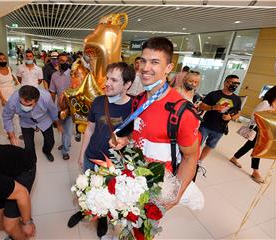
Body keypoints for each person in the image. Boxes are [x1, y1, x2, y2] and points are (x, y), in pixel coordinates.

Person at [110, 37, 201, 211]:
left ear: (168, 67)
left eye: (154, 62)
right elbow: (139, 132)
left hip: (158, 186)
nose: (145, 68)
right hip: (132, 178)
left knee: (143, 233)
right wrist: (125, 140)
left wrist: (176, 195)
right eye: (143, 61)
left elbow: (190, 158)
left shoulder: (182, 112)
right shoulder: (139, 101)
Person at [68, 62, 135, 237]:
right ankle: (83, 211)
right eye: (107, 78)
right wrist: (82, 154)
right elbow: (89, 129)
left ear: (127, 84)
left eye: (114, 80)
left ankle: (102, 219)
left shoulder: (134, 107)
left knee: (105, 195)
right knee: (87, 189)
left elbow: (137, 137)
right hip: (91, 156)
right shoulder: (98, 101)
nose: (107, 83)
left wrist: (126, 139)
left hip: (113, 164)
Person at [230, 85, 276, 183]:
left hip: (268, 131)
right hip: (259, 129)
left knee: (249, 146)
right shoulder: (266, 103)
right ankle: (255, 171)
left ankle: (234, 158)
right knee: (259, 149)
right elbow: (254, 115)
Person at [3, 85, 62, 163]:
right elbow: (7, 117)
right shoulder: (13, 101)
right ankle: (32, 161)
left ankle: (46, 151)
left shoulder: (46, 97)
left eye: (29, 105)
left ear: (36, 101)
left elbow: (53, 110)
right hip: (26, 122)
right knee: (29, 147)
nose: (24, 106)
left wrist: (58, 124)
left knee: (50, 141)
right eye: (21, 103)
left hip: (44, 119)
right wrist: (12, 136)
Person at [198, 75, 242, 164]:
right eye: (233, 83)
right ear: (226, 82)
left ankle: (200, 161)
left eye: (237, 84)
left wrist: (231, 117)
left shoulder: (237, 99)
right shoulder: (214, 94)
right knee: (196, 144)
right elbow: (201, 106)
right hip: (206, 125)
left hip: (220, 128)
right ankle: (190, 160)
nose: (235, 86)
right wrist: (213, 107)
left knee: (210, 146)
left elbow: (238, 113)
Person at [49, 53, 73, 160]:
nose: (63, 63)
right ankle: (66, 143)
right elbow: (53, 92)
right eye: (61, 61)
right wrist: (51, 108)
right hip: (60, 108)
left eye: (65, 61)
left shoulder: (74, 75)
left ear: (69, 62)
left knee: (68, 129)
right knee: (62, 128)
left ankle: (65, 150)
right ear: (57, 62)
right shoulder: (54, 76)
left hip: (72, 108)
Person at [0, 52, 21, 137]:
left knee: (16, 113)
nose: (3, 60)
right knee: (4, 114)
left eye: (4, 58)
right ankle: (8, 132)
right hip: (3, 94)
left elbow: (10, 75)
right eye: (0, 59)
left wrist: (15, 79)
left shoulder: (9, 68)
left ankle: (19, 132)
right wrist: (2, 99)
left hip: (12, 93)